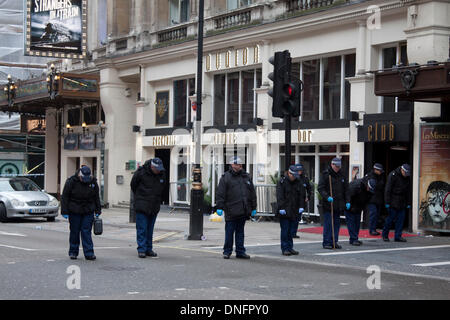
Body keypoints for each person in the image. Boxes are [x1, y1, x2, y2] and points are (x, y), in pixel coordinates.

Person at [216, 156, 257, 259]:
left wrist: (253, 207)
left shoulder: (246, 177)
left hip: (243, 209)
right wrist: (220, 207)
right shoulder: (226, 177)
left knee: (240, 232)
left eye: (238, 164)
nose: (237, 166)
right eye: (235, 164)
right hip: (231, 209)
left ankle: (240, 251)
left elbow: (252, 193)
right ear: (231, 165)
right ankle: (227, 251)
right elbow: (221, 193)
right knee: (229, 232)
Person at [61, 166, 101, 260]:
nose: (85, 180)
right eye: (83, 178)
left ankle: (89, 253)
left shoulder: (93, 182)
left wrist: (98, 210)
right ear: (80, 175)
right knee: (75, 231)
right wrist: (64, 211)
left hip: (88, 210)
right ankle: (73, 252)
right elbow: (65, 197)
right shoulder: (71, 181)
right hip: (74, 210)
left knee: (86, 231)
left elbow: (96, 197)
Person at [130, 158, 166, 258]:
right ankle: (141, 249)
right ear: (152, 167)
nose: (159, 171)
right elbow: (133, 185)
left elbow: (163, 187)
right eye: (157, 169)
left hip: (154, 205)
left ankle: (149, 249)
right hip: (142, 204)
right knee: (142, 228)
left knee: (150, 229)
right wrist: (140, 197)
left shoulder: (162, 173)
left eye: (160, 169)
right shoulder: (141, 172)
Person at [318, 157, 350, 249]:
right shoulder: (326, 175)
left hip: (338, 204)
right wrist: (327, 197)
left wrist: (347, 201)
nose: (337, 168)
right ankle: (327, 242)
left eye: (339, 166)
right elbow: (320, 188)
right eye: (336, 166)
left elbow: (346, 189)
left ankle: (334, 241)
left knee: (336, 224)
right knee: (328, 224)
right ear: (332, 164)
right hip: (329, 204)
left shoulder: (342, 175)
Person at [276, 165, 306, 256]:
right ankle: (285, 248)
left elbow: (301, 195)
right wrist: (281, 208)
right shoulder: (282, 182)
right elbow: (280, 196)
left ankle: (290, 247)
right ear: (289, 173)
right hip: (285, 210)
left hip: (294, 210)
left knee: (291, 231)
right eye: (293, 175)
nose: (295, 177)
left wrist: (301, 206)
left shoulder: (298, 182)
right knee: (285, 230)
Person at [382, 164, 411, 242]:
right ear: (402, 170)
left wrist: (408, 202)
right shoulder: (393, 175)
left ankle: (398, 236)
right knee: (390, 220)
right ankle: (385, 235)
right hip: (393, 201)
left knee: (400, 220)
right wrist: (387, 202)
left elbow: (408, 191)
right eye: (405, 173)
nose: (406, 175)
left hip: (402, 201)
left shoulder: (407, 177)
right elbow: (388, 189)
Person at [346, 178, 377, 246]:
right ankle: (353, 239)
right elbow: (348, 194)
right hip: (350, 205)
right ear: (367, 185)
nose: (370, 190)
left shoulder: (370, 191)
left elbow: (367, 200)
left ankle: (354, 238)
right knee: (351, 224)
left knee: (357, 224)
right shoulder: (357, 185)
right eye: (369, 188)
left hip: (359, 207)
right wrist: (347, 202)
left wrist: (363, 208)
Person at [364, 163, 385, 236]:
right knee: (373, 214)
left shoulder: (380, 176)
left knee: (377, 215)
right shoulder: (369, 176)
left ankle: (374, 228)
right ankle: (371, 229)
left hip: (378, 198)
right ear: (375, 170)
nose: (380, 172)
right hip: (371, 198)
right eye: (379, 171)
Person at [292, 164, 312, 237]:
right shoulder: (293, 178)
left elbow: (309, 189)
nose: (299, 172)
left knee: (297, 217)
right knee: (292, 217)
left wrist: (308, 197)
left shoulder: (305, 179)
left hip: (301, 202)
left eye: (300, 170)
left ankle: (294, 233)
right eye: (298, 170)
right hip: (293, 201)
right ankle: (291, 232)